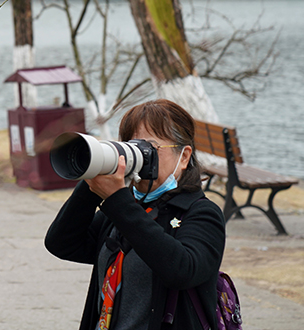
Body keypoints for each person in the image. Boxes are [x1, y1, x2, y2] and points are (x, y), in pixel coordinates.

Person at [44, 99, 225, 330]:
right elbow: (61, 243)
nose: (141, 155)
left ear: (185, 157)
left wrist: (117, 200)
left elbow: (181, 270)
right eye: (133, 145)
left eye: (151, 147)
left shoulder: (201, 213)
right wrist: (92, 181)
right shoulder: (123, 210)